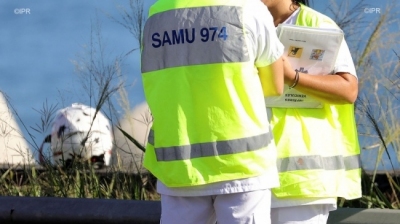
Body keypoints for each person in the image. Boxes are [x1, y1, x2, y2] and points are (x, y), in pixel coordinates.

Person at [140, 0, 285, 223]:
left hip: (180, 166)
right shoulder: (249, 8)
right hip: (243, 163)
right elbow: (275, 86)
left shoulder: (157, 14)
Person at [260, 0, 362, 223]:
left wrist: (293, 78)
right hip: (249, 174)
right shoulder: (241, 23)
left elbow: (348, 90)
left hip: (303, 182)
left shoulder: (318, 24)